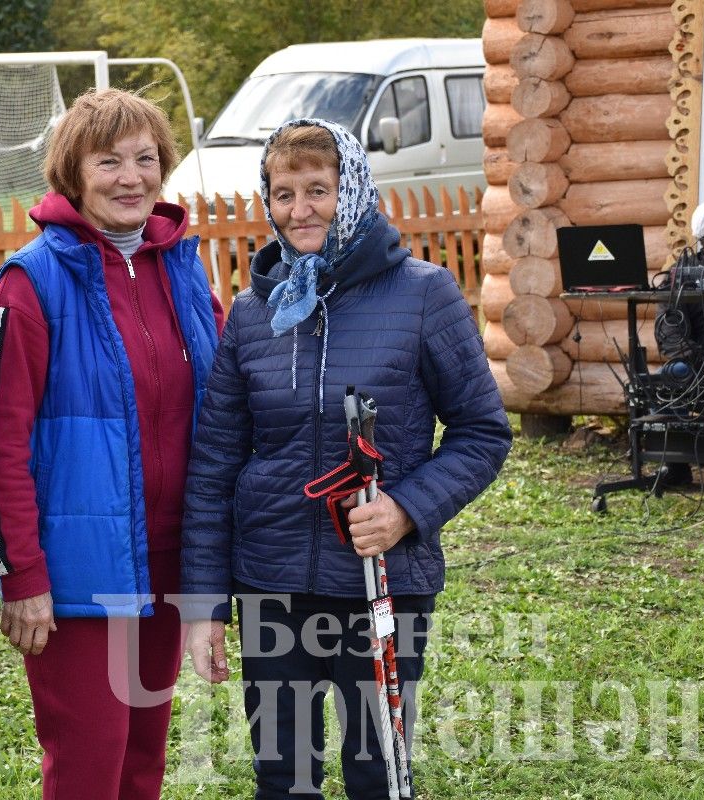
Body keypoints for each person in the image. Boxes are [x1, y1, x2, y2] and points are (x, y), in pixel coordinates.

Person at [181, 119, 512, 799]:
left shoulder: (424, 294)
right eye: (283, 193)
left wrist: (406, 510)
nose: (300, 210)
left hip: (382, 581)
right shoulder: (254, 312)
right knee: (283, 774)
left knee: (378, 769)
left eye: (318, 189)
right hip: (272, 581)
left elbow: (483, 431)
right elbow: (214, 463)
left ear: (352, 189)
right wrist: (205, 605)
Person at [0, 88, 223, 800]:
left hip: (171, 559)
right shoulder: (32, 282)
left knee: (143, 761)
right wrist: (22, 575)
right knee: (89, 767)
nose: (131, 177)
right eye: (108, 160)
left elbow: (230, 403)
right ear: (72, 173)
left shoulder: (183, 268)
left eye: (146, 158)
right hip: (82, 577)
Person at [651, 196, 704, 485]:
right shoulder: (684, 270)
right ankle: (676, 464)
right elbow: (668, 321)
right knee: (659, 381)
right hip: (699, 361)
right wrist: (695, 359)